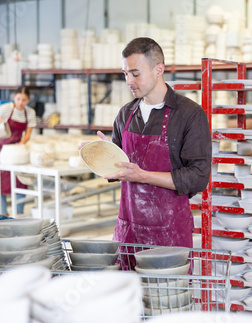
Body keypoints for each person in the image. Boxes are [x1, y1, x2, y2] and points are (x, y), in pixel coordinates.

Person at [83, 37, 211, 264]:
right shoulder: (125, 114)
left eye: (135, 73)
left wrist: (142, 175)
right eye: (125, 73)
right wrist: (101, 154)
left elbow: (198, 177)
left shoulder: (189, 114)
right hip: (128, 229)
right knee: (130, 295)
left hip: (169, 233)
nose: (128, 81)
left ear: (158, 69)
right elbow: (118, 169)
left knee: (165, 296)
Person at [0, 86, 36, 215]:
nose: (20, 103)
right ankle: (2, 214)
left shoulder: (30, 113)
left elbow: (28, 134)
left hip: (15, 150)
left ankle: (18, 213)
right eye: (18, 99)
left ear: (29, 100)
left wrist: (20, 144)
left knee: (20, 180)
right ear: (14, 97)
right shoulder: (6, 108)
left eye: (24, 100)